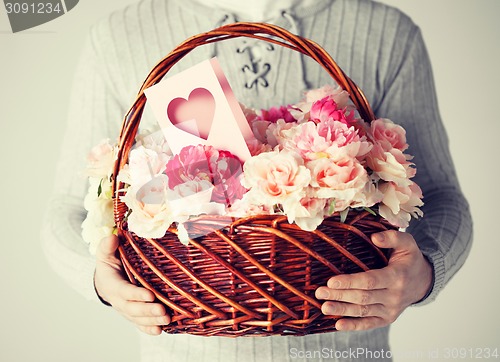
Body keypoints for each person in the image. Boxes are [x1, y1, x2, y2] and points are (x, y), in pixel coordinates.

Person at [41, 0, 473, 361]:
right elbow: (66, 206)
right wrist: (100, 280)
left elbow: (441, 195)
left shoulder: (385, 32)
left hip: (345, 348)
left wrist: (424, 273)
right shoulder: (118, 35)